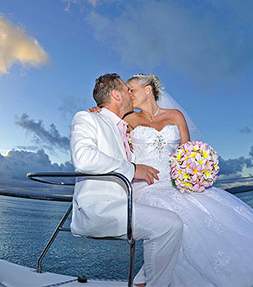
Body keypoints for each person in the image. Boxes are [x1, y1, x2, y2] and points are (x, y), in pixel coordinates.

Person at [90, 74, 253, 287]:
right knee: (171, 216)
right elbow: (108, 119)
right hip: (148, 185)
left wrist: (194, 172)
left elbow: (188, 151)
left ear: (148, 90)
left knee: (209, 209)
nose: (128, 94)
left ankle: (154, 279)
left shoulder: (175, 116)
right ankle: (152, 280)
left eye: (131, 89)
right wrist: (97, 111)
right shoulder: (130, 119)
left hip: (176, 182)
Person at [70, 73, 184, 286]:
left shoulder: (124, 127)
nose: (131, 94)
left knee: (176, 221)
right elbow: (83, 158)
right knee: (170, 225)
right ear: (116, 95)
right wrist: (133, 169)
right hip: (100, 208)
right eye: (126, 90)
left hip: (129, 203)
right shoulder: (87, 118)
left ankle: (142, 281)